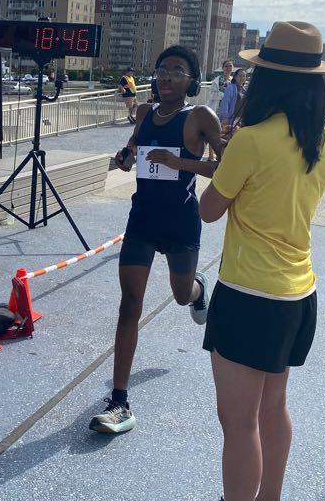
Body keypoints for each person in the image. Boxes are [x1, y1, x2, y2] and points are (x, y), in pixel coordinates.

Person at [170, 21, 325, 501]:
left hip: (249, 296)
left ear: (266, 78)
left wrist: (226, 156)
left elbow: (208, 210)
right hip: (298, 293)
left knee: (239, 423)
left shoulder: (252, 140)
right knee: (274, 408)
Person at [89, 45, 225, 435]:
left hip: (181, 221)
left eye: (177, 70)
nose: (166, 76)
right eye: (162, 69)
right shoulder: (146, 112)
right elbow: (134, 146)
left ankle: (198, 291)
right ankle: (119, 401)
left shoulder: (200, 116)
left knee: (181, 295)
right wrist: (125, 158)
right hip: (143, 220)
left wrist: (179, 162)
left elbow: (225, 166)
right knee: (130, 304)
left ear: (191, 80)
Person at [218, 68, 247, 144]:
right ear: (235, 77)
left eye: (244, 76)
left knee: (236, 140)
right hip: (231, 118)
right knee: (227, 139)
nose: (242, 78)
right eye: (240, 76)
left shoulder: (245, 90)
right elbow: (225, 102)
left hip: (239, 120)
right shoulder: (231, 87)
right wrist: (225, 117)